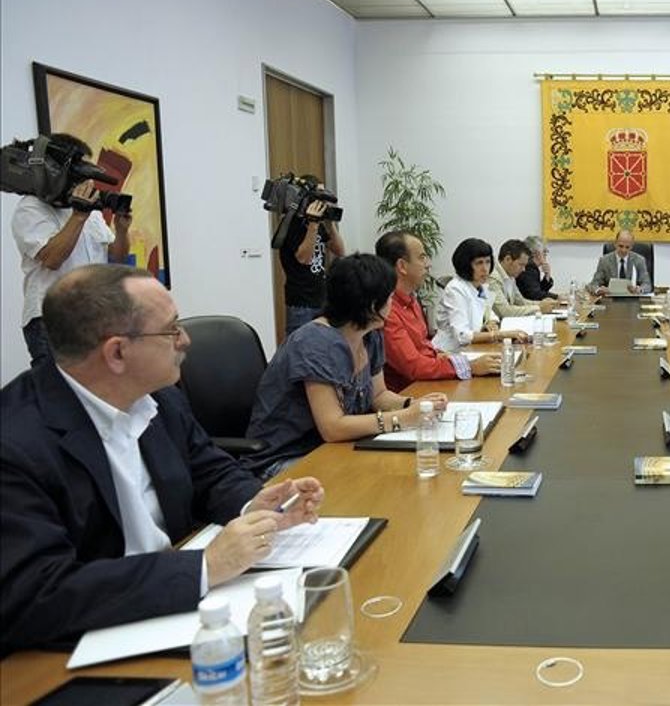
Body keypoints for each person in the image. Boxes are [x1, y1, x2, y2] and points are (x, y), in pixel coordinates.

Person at [0, 265, 325, 655]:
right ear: (117, 352)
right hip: (86, 645)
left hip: (184, 610)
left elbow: (210, 470)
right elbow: (35, 592)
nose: (185, 340)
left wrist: (255, 504)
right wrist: (205, 566)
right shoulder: (16, 442)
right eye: (171, 330)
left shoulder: (159, 397)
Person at [243, 253, 446, 479]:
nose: (392, 304)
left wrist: (415, 405)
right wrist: (403, 418)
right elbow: (332, 427)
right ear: (371, 305)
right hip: (287, 460)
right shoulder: (316, 343)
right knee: (387, 478)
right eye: (389, 298)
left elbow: (378, 396)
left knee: (400, 472)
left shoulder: (370, 334)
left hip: (332, 450)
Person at [11, 133, 131, 368]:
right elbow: (52, 259)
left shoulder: (91, 212)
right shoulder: (31, 208)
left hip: (95, 315)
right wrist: (78, 215)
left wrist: (121, 229)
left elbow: (116, 257)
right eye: (81, 173)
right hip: (53, 319)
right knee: (59, 389)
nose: (87, 182)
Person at [375, 231, 501, 391]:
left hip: (430, 380)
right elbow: (413, 366)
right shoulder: (387, 310)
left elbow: (424, 347)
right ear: (402, 266)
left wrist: (449, 358)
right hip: (410, 391)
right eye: (422, 257)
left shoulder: (411, 299)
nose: (428, 264)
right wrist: (468, 366)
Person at [432, 238, 529, 353]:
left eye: (488, 262)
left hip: (472, 349)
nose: (485, 269)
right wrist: (500, 334)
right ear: (466, 265)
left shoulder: (480, 285)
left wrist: (492, 323)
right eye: (479, 263)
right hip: (448, 352)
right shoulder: (455, 289)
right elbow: (462, 335)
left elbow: (490, 314)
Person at [277, 176, 345, 335]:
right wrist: (313, 224)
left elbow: (340, 251)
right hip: (301, 302)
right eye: (319, 194)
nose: (323, 199)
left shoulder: (318, 224)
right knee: (301, 346)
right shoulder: (292, 223)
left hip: (321, 299)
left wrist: (329, 223)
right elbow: (304, 259)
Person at [489, 239, 557, 319]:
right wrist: (539, 308)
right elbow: (504, 311)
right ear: (508, 259)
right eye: (521, 265)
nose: (524, 269)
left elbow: (521, 302)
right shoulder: (492, 277)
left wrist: (543, 304)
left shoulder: (510, 276)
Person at [588, 229, 651, 295]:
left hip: (632, 298)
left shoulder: (639, 260)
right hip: (611, 298)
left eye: (627, 247)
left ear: (632, 246)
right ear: (615, 244)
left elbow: (647, 284)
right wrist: (599, 290)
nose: (623, 250)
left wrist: (640, 289)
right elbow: (593, 284)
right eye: (621, 246)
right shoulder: (604, 261)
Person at [516, 234, 557, 301]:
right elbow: (535, 295)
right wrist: (557, 297)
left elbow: (538, 290)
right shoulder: (529, 267)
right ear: (535, 253)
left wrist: (547, 276)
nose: (546, 253)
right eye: (544, 251)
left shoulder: (532, 266)